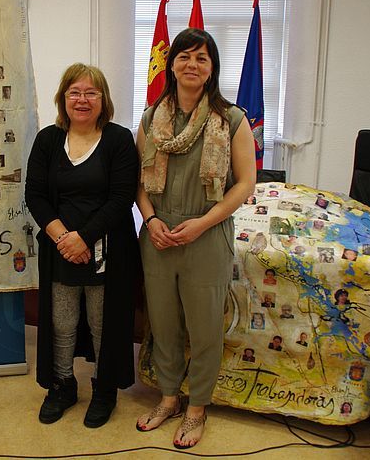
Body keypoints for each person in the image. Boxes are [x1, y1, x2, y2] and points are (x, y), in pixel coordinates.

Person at [134, 28, 256, 449]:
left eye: (202, 58)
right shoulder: (152, 118)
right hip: (158, 236)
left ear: (211, 69)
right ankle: (168, 398)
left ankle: (197, 408)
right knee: (163, 325)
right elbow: (138, 181)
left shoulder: (233, 119)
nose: (192, 64)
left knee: (204, 329)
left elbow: (245, 184)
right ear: (171, 64)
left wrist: (203, 223)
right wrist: (150, 222)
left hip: (206, 237)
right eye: (184, 56)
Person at [25, 63, 140, 429]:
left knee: (102, 323)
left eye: (91, 92)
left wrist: (83, 238)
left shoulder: (119, 140)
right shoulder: (47, 140)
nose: (83, 99)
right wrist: (64, 239)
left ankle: (104, 390)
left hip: (106, 250)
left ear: (103, 100)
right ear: (63, 98)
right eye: (75, 92)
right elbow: (35, 195)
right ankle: (62, 386)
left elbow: (122, 198)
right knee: (61, 323)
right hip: (61, 250)